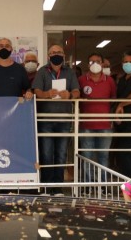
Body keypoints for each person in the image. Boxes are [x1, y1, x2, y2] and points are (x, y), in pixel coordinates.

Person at [33, 45, 80, 193]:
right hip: (45, 119)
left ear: (64, 55)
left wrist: (70, 95)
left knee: (61, 155)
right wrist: (46, 94)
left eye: (59, 52)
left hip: (64, 119)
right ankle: (47, 187)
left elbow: (77, 91)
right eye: (53, 53)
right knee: (46, 154)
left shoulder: (70, 72)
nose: (56, 54)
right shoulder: (42, 71)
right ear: (48, 56)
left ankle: (58, 187)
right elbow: (37, 91)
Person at [78, 53, 116, 186]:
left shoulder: (110, 81)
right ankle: (87, 185)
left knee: (103, 156)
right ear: (87, 64)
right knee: (87, 156)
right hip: (86, 125)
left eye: (97, 61)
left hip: (105, 125)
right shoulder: (81, 80)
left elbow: (114, 100)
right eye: (91, 61)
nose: (94, 64)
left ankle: (103, 185)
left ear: (102, 63)